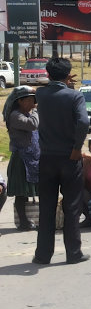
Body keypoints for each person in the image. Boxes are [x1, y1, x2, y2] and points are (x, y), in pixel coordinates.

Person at [33, 57, 90, 265]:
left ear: (48, 74)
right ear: (68, 75)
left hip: (46, 158)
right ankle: (73, 253)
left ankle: (42, 255)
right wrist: (77, 147)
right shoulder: (75, 96)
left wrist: (63, 82)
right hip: (69, 157)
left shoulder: (40, 94)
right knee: (72, 207)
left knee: (46, 207)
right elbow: (83, 122)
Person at [2, 86, 39, 231]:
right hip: (21, 160)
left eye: (33, 101)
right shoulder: (15, 116)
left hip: (32, 159)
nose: (32, 104)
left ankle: (32, 219)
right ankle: (23, 221)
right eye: (29, 101)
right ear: (20, 102)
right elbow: (33, 125)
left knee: (31, 191)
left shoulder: (27, 114)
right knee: (21, 193)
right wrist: (36, 110)